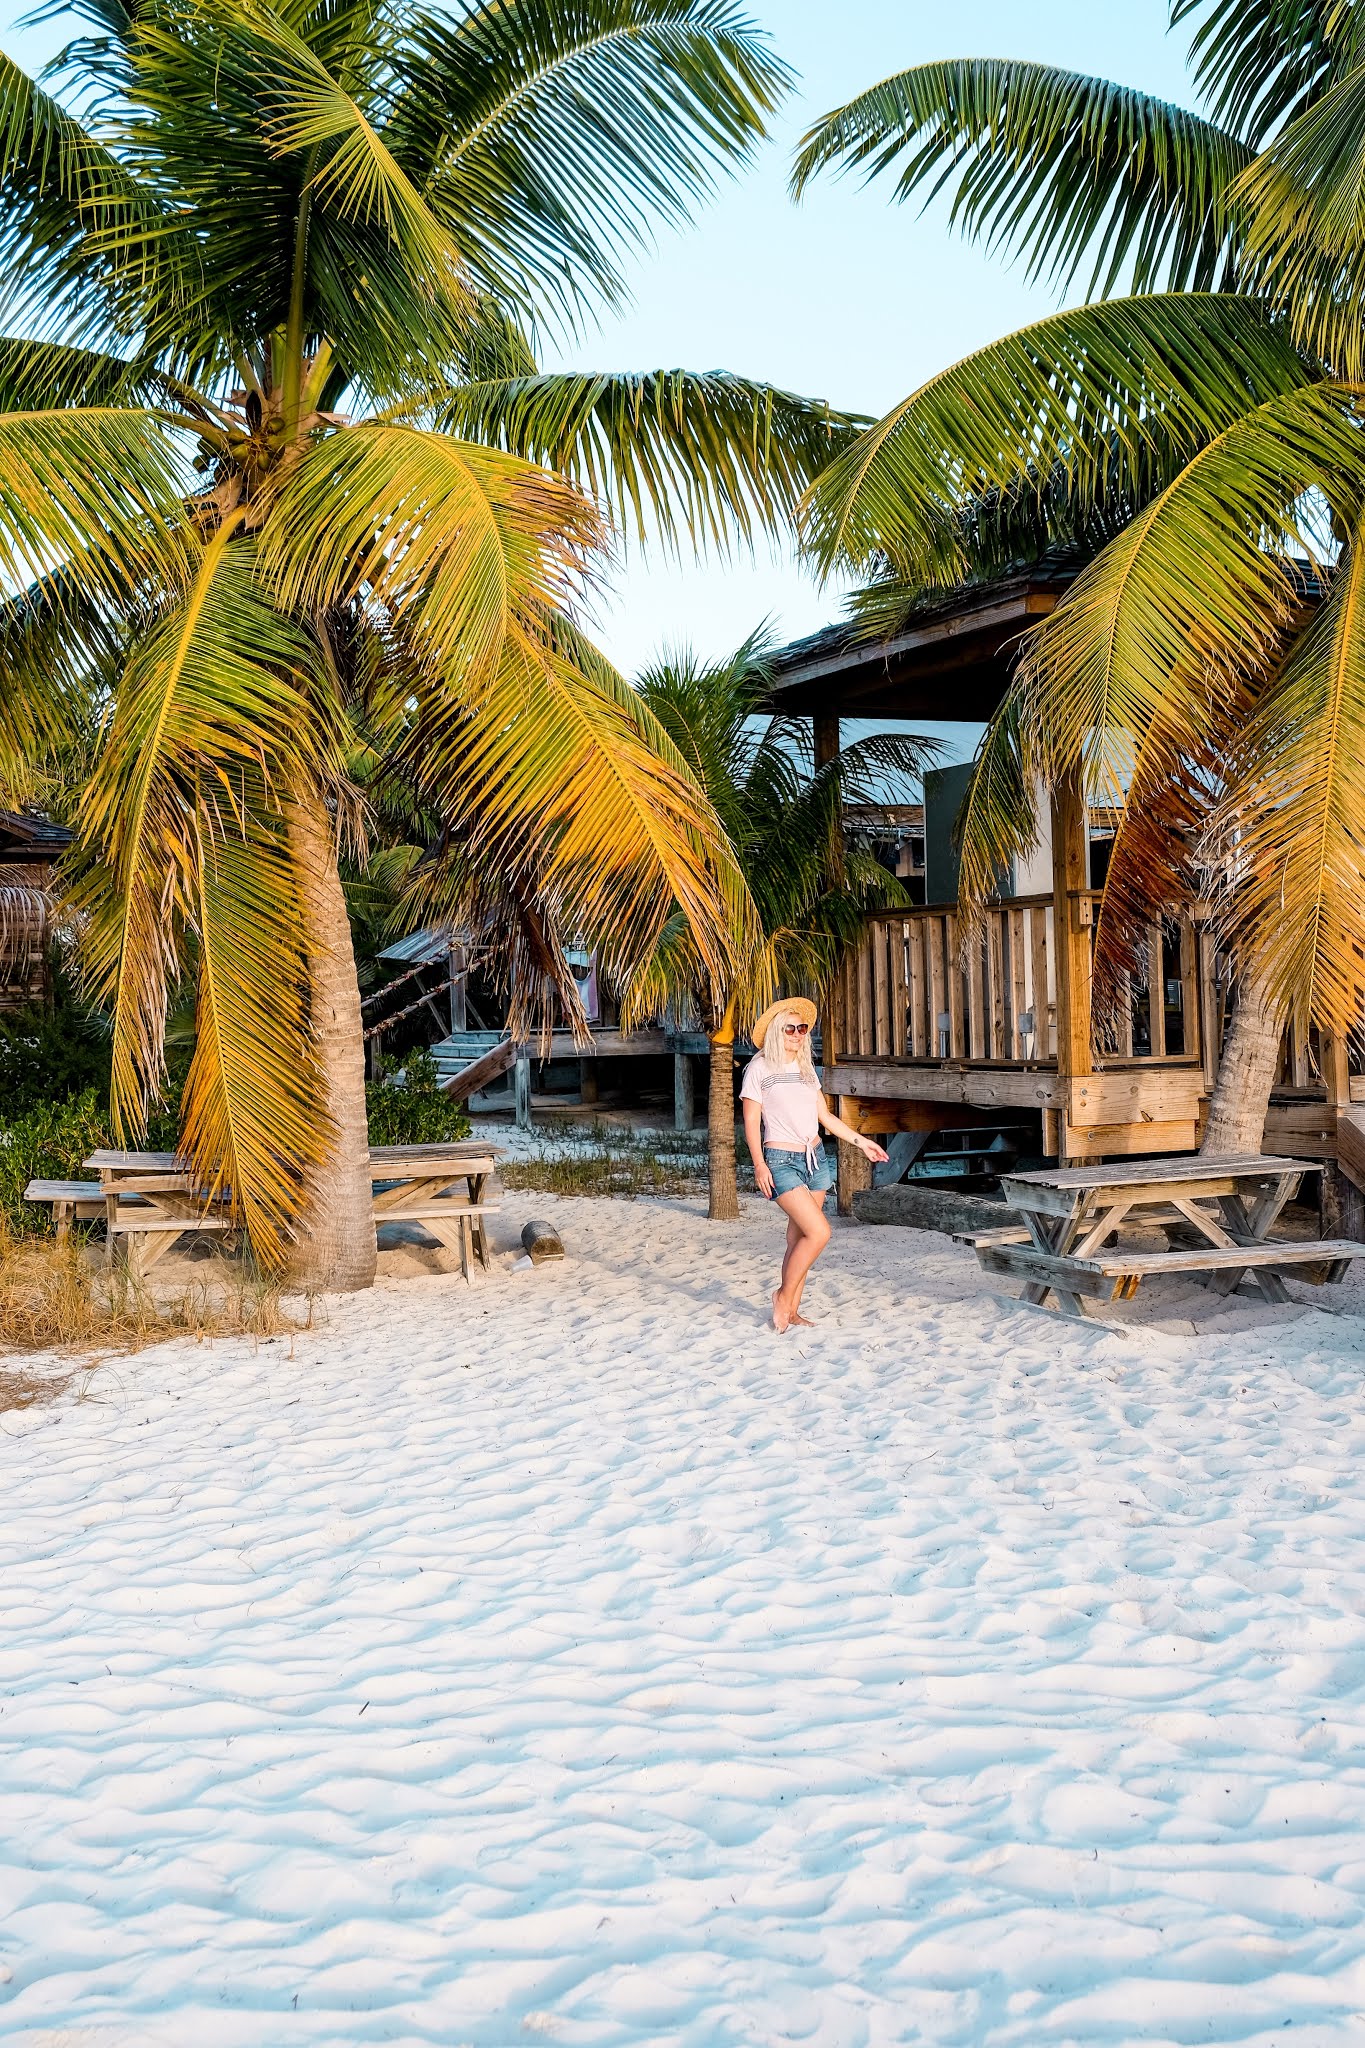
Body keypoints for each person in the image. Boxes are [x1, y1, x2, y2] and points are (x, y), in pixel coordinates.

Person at [740, 998, 888, 1332]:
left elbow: (824, 1116)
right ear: (778, 1032)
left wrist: (862, 1141)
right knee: (820, 1231)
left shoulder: (807, 1070)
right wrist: (759, 1165)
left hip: (815, 1159)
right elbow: (751, 1122)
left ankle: (792, 1310)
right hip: (780, 1161)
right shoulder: (759, 1068)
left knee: (799, 1240)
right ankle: (782, 1297)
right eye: (789, 1028)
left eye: (801, 1028)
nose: (796, 1034)